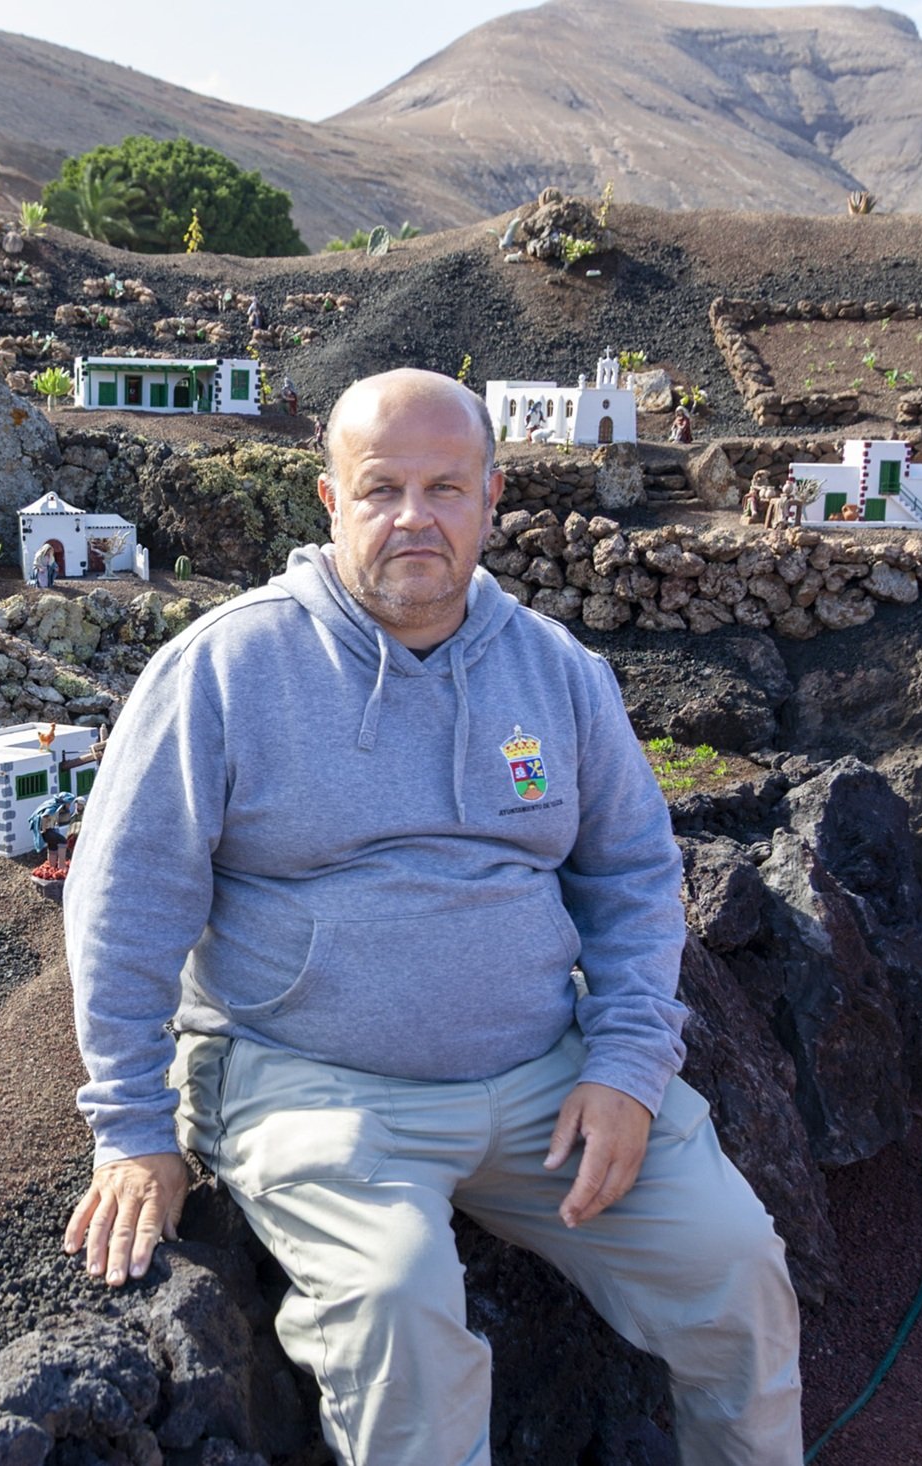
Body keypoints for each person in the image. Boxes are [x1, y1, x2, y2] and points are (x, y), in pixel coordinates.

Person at [63, 368, 802, 1465]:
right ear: (329, 501)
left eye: (445, 487)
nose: (415, 516)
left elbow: (635, 878)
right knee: (401, 1313)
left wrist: (627, 1064)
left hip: (542, 1074)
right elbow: (125, 903)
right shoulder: (222, 668)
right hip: (309, 1082)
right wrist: (131, 1129)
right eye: (381, 488)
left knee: (736, 1266)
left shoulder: (560, 674)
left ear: (490, 500)